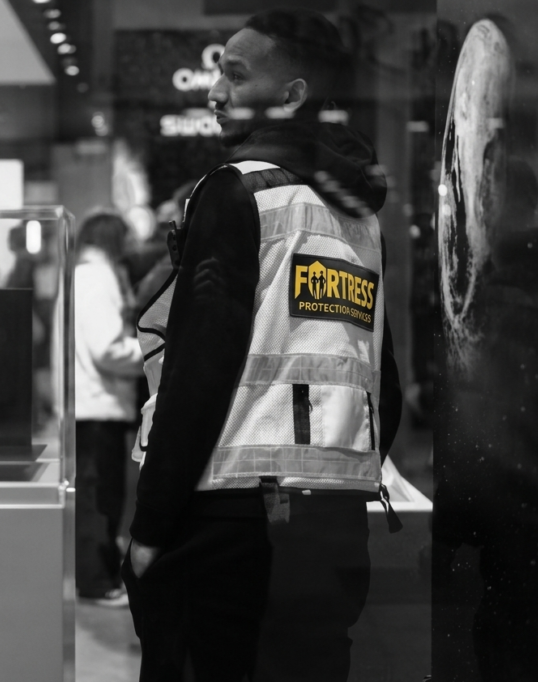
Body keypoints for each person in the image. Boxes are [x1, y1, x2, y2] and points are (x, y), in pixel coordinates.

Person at [121, 9, 402, 682]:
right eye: (218, 70)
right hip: (334, 525)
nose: (214, 91)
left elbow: (198, 371)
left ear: (292, 95)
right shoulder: (358, 219)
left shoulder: (235, 191)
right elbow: (381, 386)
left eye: (235, 74)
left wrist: (151, 529)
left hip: (227, 521)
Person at [74, 211, 144, 606]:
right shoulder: (98, 278)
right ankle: (96, 580)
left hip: (91, 404)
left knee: (96, 495)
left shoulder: (83, 274)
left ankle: (96, 574)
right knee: (100, 497)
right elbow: (107, 348)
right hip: (98, 405)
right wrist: (152, 350)